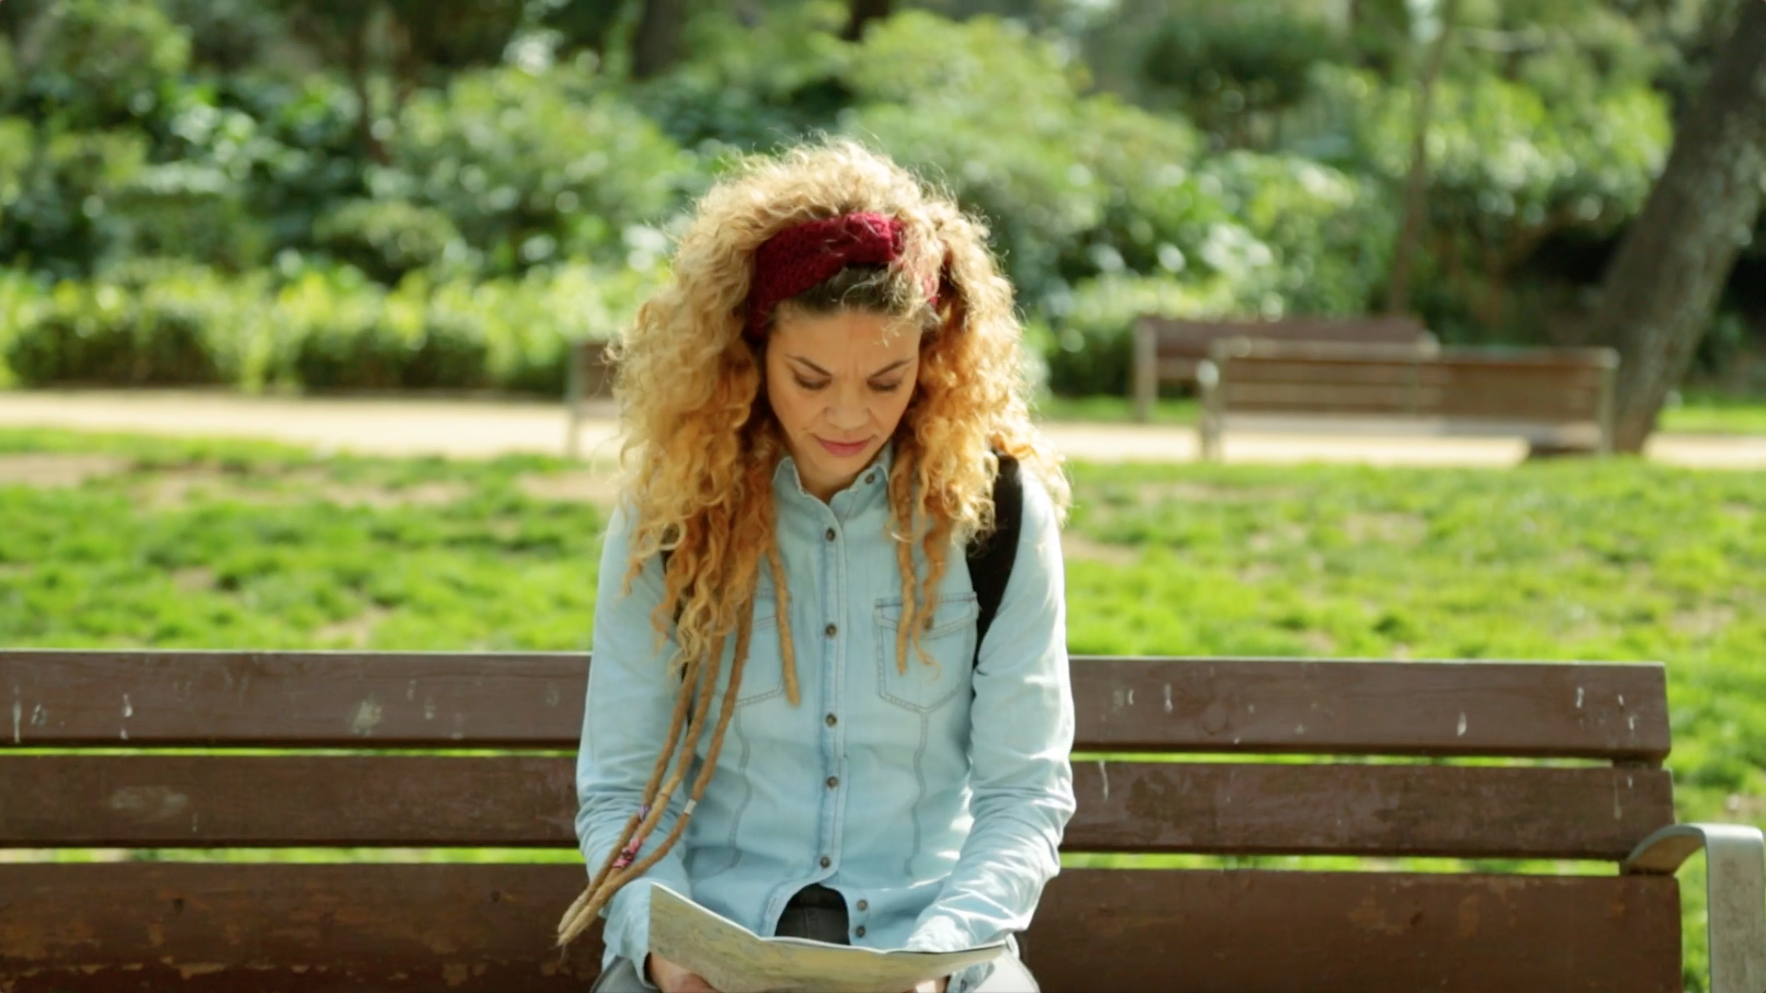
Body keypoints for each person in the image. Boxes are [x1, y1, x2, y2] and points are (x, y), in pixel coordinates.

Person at [556, 139, 1075, 993]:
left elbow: (1023, 798)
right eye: (810, 377)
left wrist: (935, 963)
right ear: (752, 351)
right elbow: (622, 792)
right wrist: (667, 951)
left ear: (931, 360)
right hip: (710, 943)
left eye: (887, 379)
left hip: (930, 943)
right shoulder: (671, 512)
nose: (847, 415)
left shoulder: (999, 513)